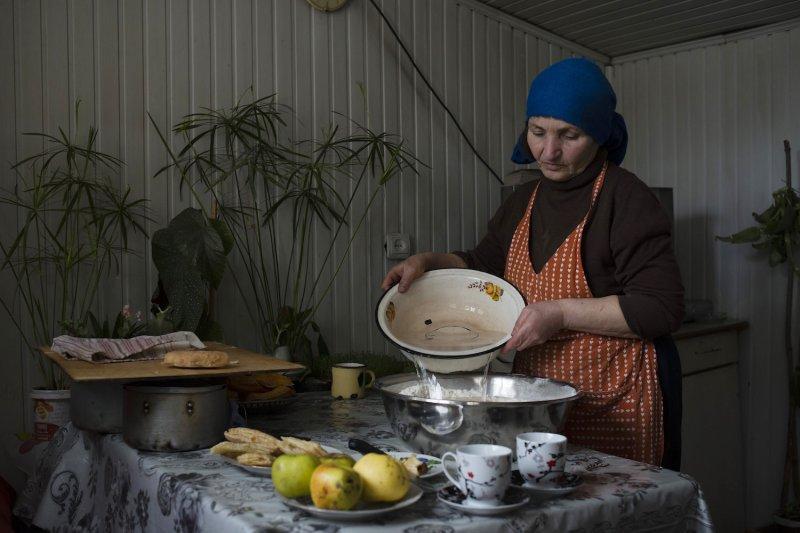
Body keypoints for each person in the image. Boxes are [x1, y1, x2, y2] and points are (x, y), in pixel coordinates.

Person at [381, 57, 684, 468]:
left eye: (569, 135)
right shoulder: (523, 201)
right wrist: (430, 262)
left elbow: (661, 308)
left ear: (597, 134)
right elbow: (484, 266)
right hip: (537, 404)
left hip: (615, 398)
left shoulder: (626, 199)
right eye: (538, 132)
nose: (549, 151)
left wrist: (558, 313)